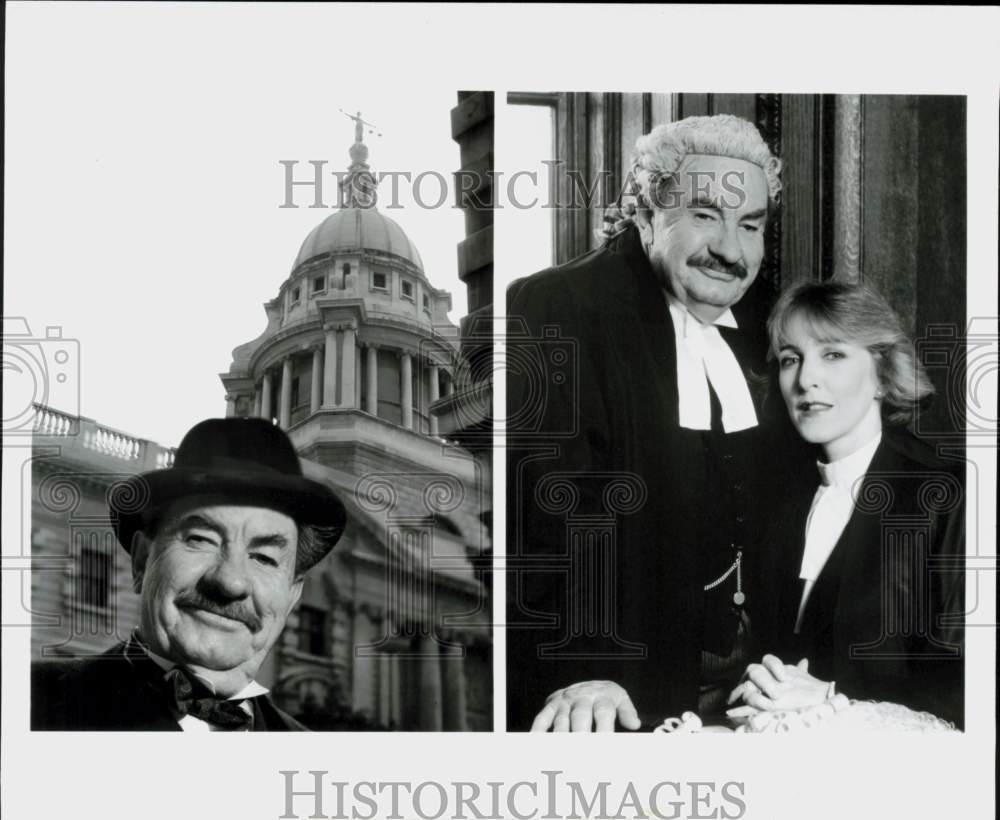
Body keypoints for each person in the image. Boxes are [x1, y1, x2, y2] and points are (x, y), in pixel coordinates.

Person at [507, 114, 802, 731]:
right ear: (645, 214)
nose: (730, 248)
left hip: (758, 683)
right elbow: (552, 509)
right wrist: (587, 666)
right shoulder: (560, 305)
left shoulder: (767, 322)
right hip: (627, 680)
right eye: (704, 215)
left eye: (750, 225)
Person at [727, 281, 965, 729]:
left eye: (833, 354)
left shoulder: (948, 493)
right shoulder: (779, 493)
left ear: (882, 372)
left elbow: (969, 685)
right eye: (790, 359)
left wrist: (835, 698)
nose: (805, 379)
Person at [31, 417, 347, 731]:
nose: (230, 581)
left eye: (264, 558)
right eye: (200, 539)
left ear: (292, 597)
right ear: (142, 561)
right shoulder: (31, 704)